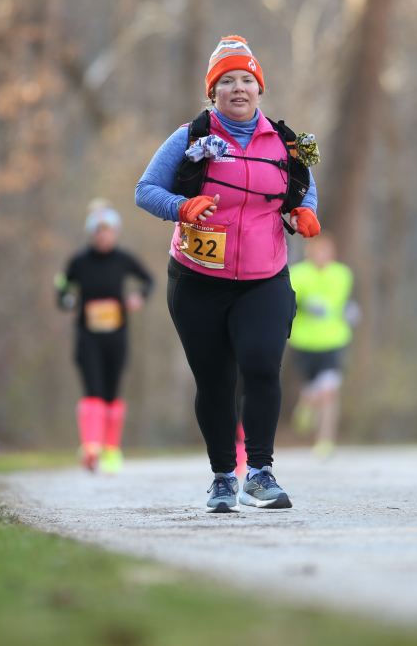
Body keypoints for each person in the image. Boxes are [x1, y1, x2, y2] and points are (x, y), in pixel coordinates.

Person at [136, 35, 322, 513]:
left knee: (261, 364)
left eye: (246, 80)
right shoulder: (191, 137)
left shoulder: (286, 142)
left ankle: (259, 472)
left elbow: (305, 189)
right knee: (215, 379)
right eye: (226, 82)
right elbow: (146, 190)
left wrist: (305, 214)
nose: (238, 88)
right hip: (198, 279)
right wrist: (182, 206)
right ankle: (223, 476)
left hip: (264, 277)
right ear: (212, 92)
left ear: (259, 88)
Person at [55, 200, 153, 474]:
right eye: (98, 231)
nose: (103, 236)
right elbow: (62, 285)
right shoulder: (79, 261)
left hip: (117, 336)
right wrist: (67, 299)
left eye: (107, 230)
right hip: (88, 336)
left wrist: (139, 297)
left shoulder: (123, 260)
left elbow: (149, 280)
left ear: (116, 232)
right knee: (92, 390)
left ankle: (111, 450)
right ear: (91, 233)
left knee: (112, 393)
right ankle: (90, 446)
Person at [287, 234, 358, 458]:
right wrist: (305, 303)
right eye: (318, 251)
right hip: (304, 341)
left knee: (329, 391)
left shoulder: (342, 274)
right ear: (309, 253)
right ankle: (306, 405)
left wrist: (350, 310)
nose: (322, 256)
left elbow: (340, 301)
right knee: (312, 391)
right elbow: (289, 300)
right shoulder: (297, 274)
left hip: (334, 339)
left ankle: (325, 441)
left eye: (326, 252)